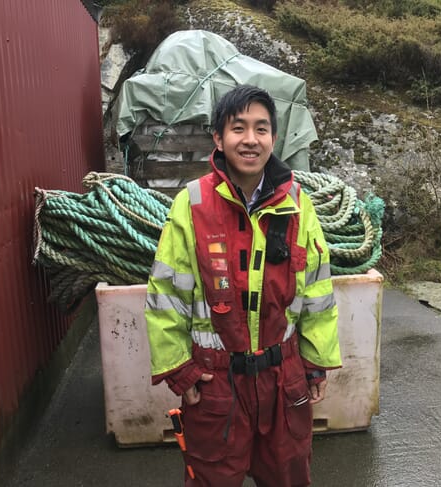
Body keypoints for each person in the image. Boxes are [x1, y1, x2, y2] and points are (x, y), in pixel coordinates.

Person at [145, 85, 341, 487]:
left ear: (274, 137)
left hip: (283, 380)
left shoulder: (298, 204)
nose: (251, 139)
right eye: (238, 128)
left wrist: (316, 364)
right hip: (215, 384)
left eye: (262, 128)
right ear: (218, 138)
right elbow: (166, 294)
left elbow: (317, 293)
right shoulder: (192, 203)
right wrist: (179, 370)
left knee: (289, 476)